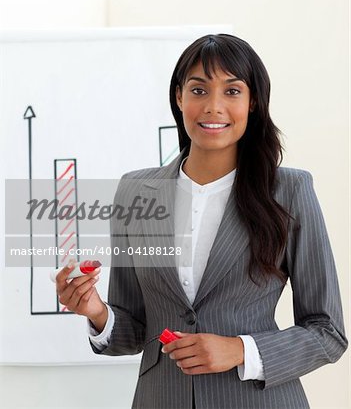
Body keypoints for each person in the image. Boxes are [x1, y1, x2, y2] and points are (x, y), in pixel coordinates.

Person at [55, 33, 348, 409]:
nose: (213, 106)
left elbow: (328, 332)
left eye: (231, 91)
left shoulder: (290, 191)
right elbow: (135, 331)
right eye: (198, 90)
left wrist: (240, 350)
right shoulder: (134, 191)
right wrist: (95, 310)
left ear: (253, 101)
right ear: (179, 97)